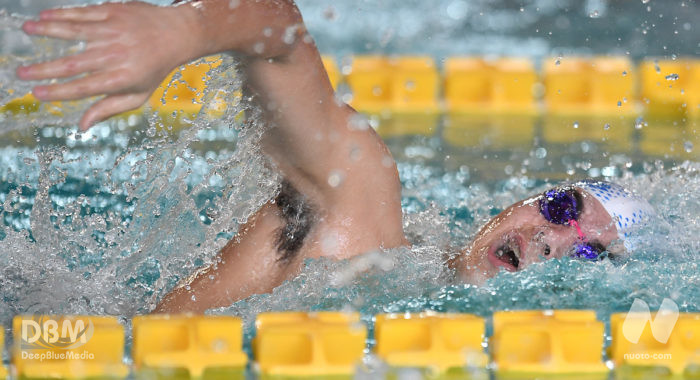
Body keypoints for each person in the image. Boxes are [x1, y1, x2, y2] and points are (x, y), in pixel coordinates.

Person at [16, 0, 653, 313]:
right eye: (560, 206)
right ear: (516, 203)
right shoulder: (363, 215)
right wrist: (177, 33)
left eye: (591, 251)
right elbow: (280, 30)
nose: (551, 239)